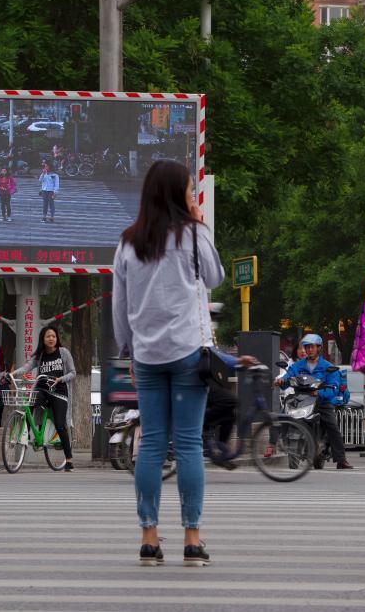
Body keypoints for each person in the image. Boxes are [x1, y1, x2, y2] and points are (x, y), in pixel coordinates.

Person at [112, 159, 223, 567]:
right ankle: (192, 537)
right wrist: (200, 224)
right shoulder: (193, 235)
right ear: (179, 194)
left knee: (153, 444)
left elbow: (119, 306)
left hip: (146, 355)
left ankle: (149, 535)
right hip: (189, 352)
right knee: (190, 443)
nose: (193, 196)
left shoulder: (128, 242)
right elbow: (215, 277)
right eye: (190, 190)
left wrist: (129, 349)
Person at [275, 333, 353, 470]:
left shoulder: (328, 367)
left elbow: (334, 388)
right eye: (307, 347)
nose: (309, 349)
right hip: (301, 400)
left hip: (321, 402)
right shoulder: (298, 366)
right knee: (283, 418)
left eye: (312, 347)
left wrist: (320, 392)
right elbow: (287, 378)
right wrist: (281, 381)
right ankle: (277, 444)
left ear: (319, 348)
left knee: (332, 427)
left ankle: (341, 459)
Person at [12, 325, 75, 471]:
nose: (51, 339)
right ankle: (25, 435)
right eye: (48, 336)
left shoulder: (63, 352)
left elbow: (73, 372)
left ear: (57, 338)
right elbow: (27, 366)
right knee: (29, 403)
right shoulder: (39, 355)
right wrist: (14, 373)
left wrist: (60, 379)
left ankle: (69, 459)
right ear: (43, 339)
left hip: (59, 392)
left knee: (60, 424)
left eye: (53, 336)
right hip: (42, 390)